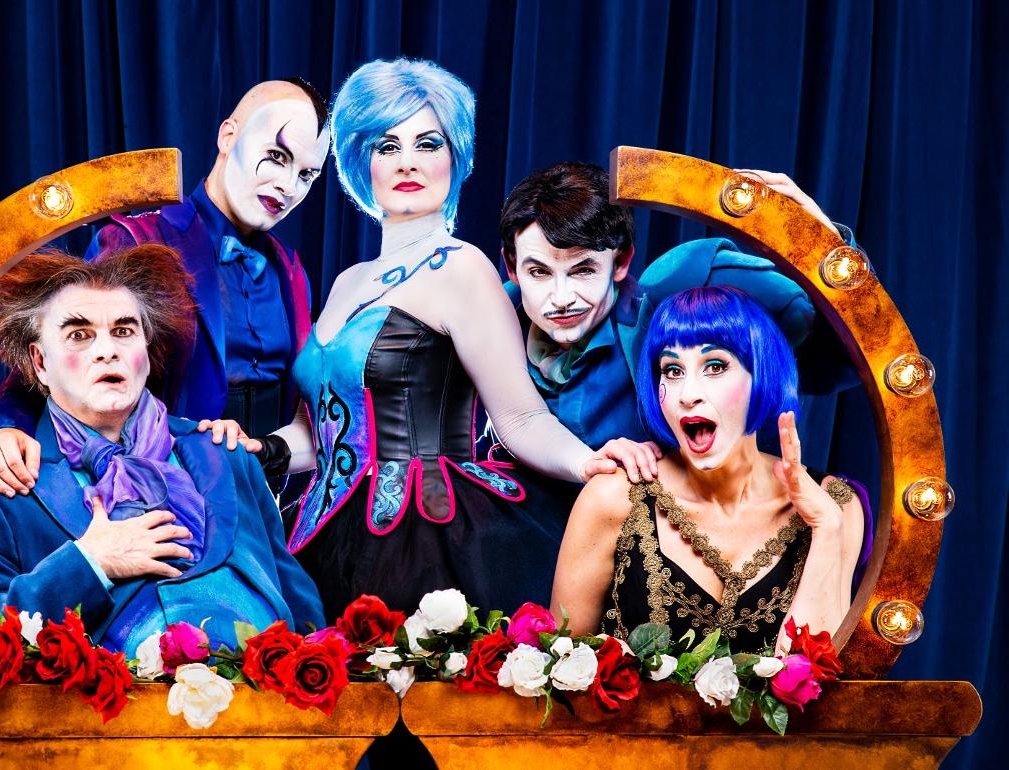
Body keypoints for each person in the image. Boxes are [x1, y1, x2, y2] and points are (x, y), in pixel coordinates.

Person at [211, 59, 632, 620]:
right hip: (322, 533)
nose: (406, 161)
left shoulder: (463, 268)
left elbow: (521, 417)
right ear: (361, 162)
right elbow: (327, 433)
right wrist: (262, 449)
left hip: (433, 534)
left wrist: (589, 464)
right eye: (387, 146)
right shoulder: (346, 282)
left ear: (455, 158)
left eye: (427, 143)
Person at [0, 245, 323, 658]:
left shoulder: (226, 454)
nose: (108, 350)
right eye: (79, 335)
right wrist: (91, 563)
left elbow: (301, 609)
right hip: (108, 698)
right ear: (40, 363)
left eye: (124, 331)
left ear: (146, 350)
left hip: (264, 692)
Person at [0, 78, 331, 497]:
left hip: (264, 502)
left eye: (307, 174)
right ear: (229, 136)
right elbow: (63, 345)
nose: (288, 186)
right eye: (276, 157)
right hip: (160, 495)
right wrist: (1, 428)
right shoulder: (140, 239)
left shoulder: (290, 268)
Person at [496, 161, 859, 485]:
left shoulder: (673, 314)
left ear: (620, 262)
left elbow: (837, 361)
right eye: (539, 272)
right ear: (512, 267)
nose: (561, 298)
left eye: (583, 270)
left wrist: (827, 250)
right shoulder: (491, 317)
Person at [550, 286, 868, 653]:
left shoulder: (836, 506)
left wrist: (827, 529)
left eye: (715, 366)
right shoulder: (613, 497)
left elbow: (814, 676)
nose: (688, 394)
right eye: (672, 370)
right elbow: (559, 668)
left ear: (762, 372)